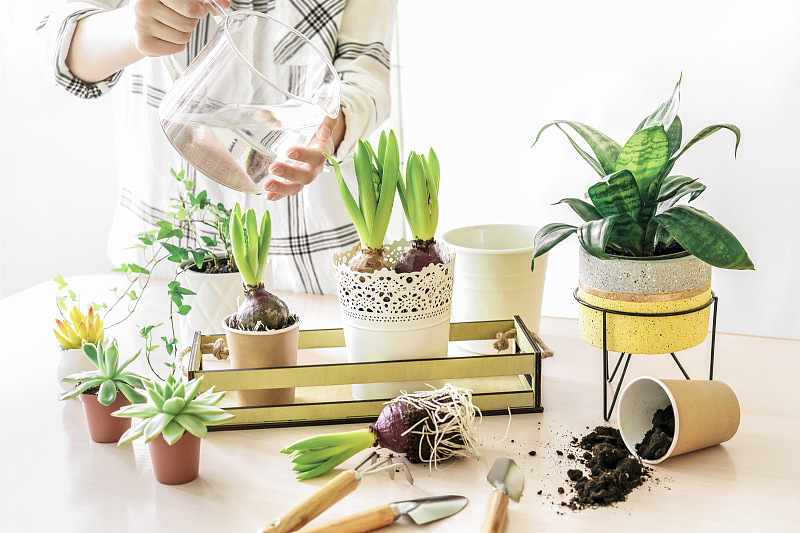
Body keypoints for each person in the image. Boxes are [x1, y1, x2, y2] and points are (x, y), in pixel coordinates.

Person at [36, 0, 395, 295]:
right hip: (163, 263)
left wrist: (328, 130)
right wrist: (131, 29)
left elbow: (366, 73)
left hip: (309, 270)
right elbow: (59, 40)